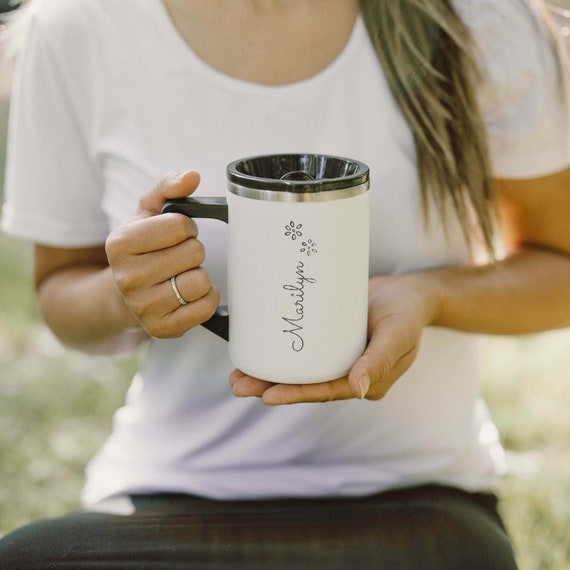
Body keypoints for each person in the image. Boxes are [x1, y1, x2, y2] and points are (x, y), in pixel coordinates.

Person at [1, 0, 569, 567]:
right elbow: (61, 289)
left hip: (420, 497)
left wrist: (429, 296)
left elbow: (559, 266)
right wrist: (124, 299)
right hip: (169, 492)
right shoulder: (78, 26)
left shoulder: (480, 18)